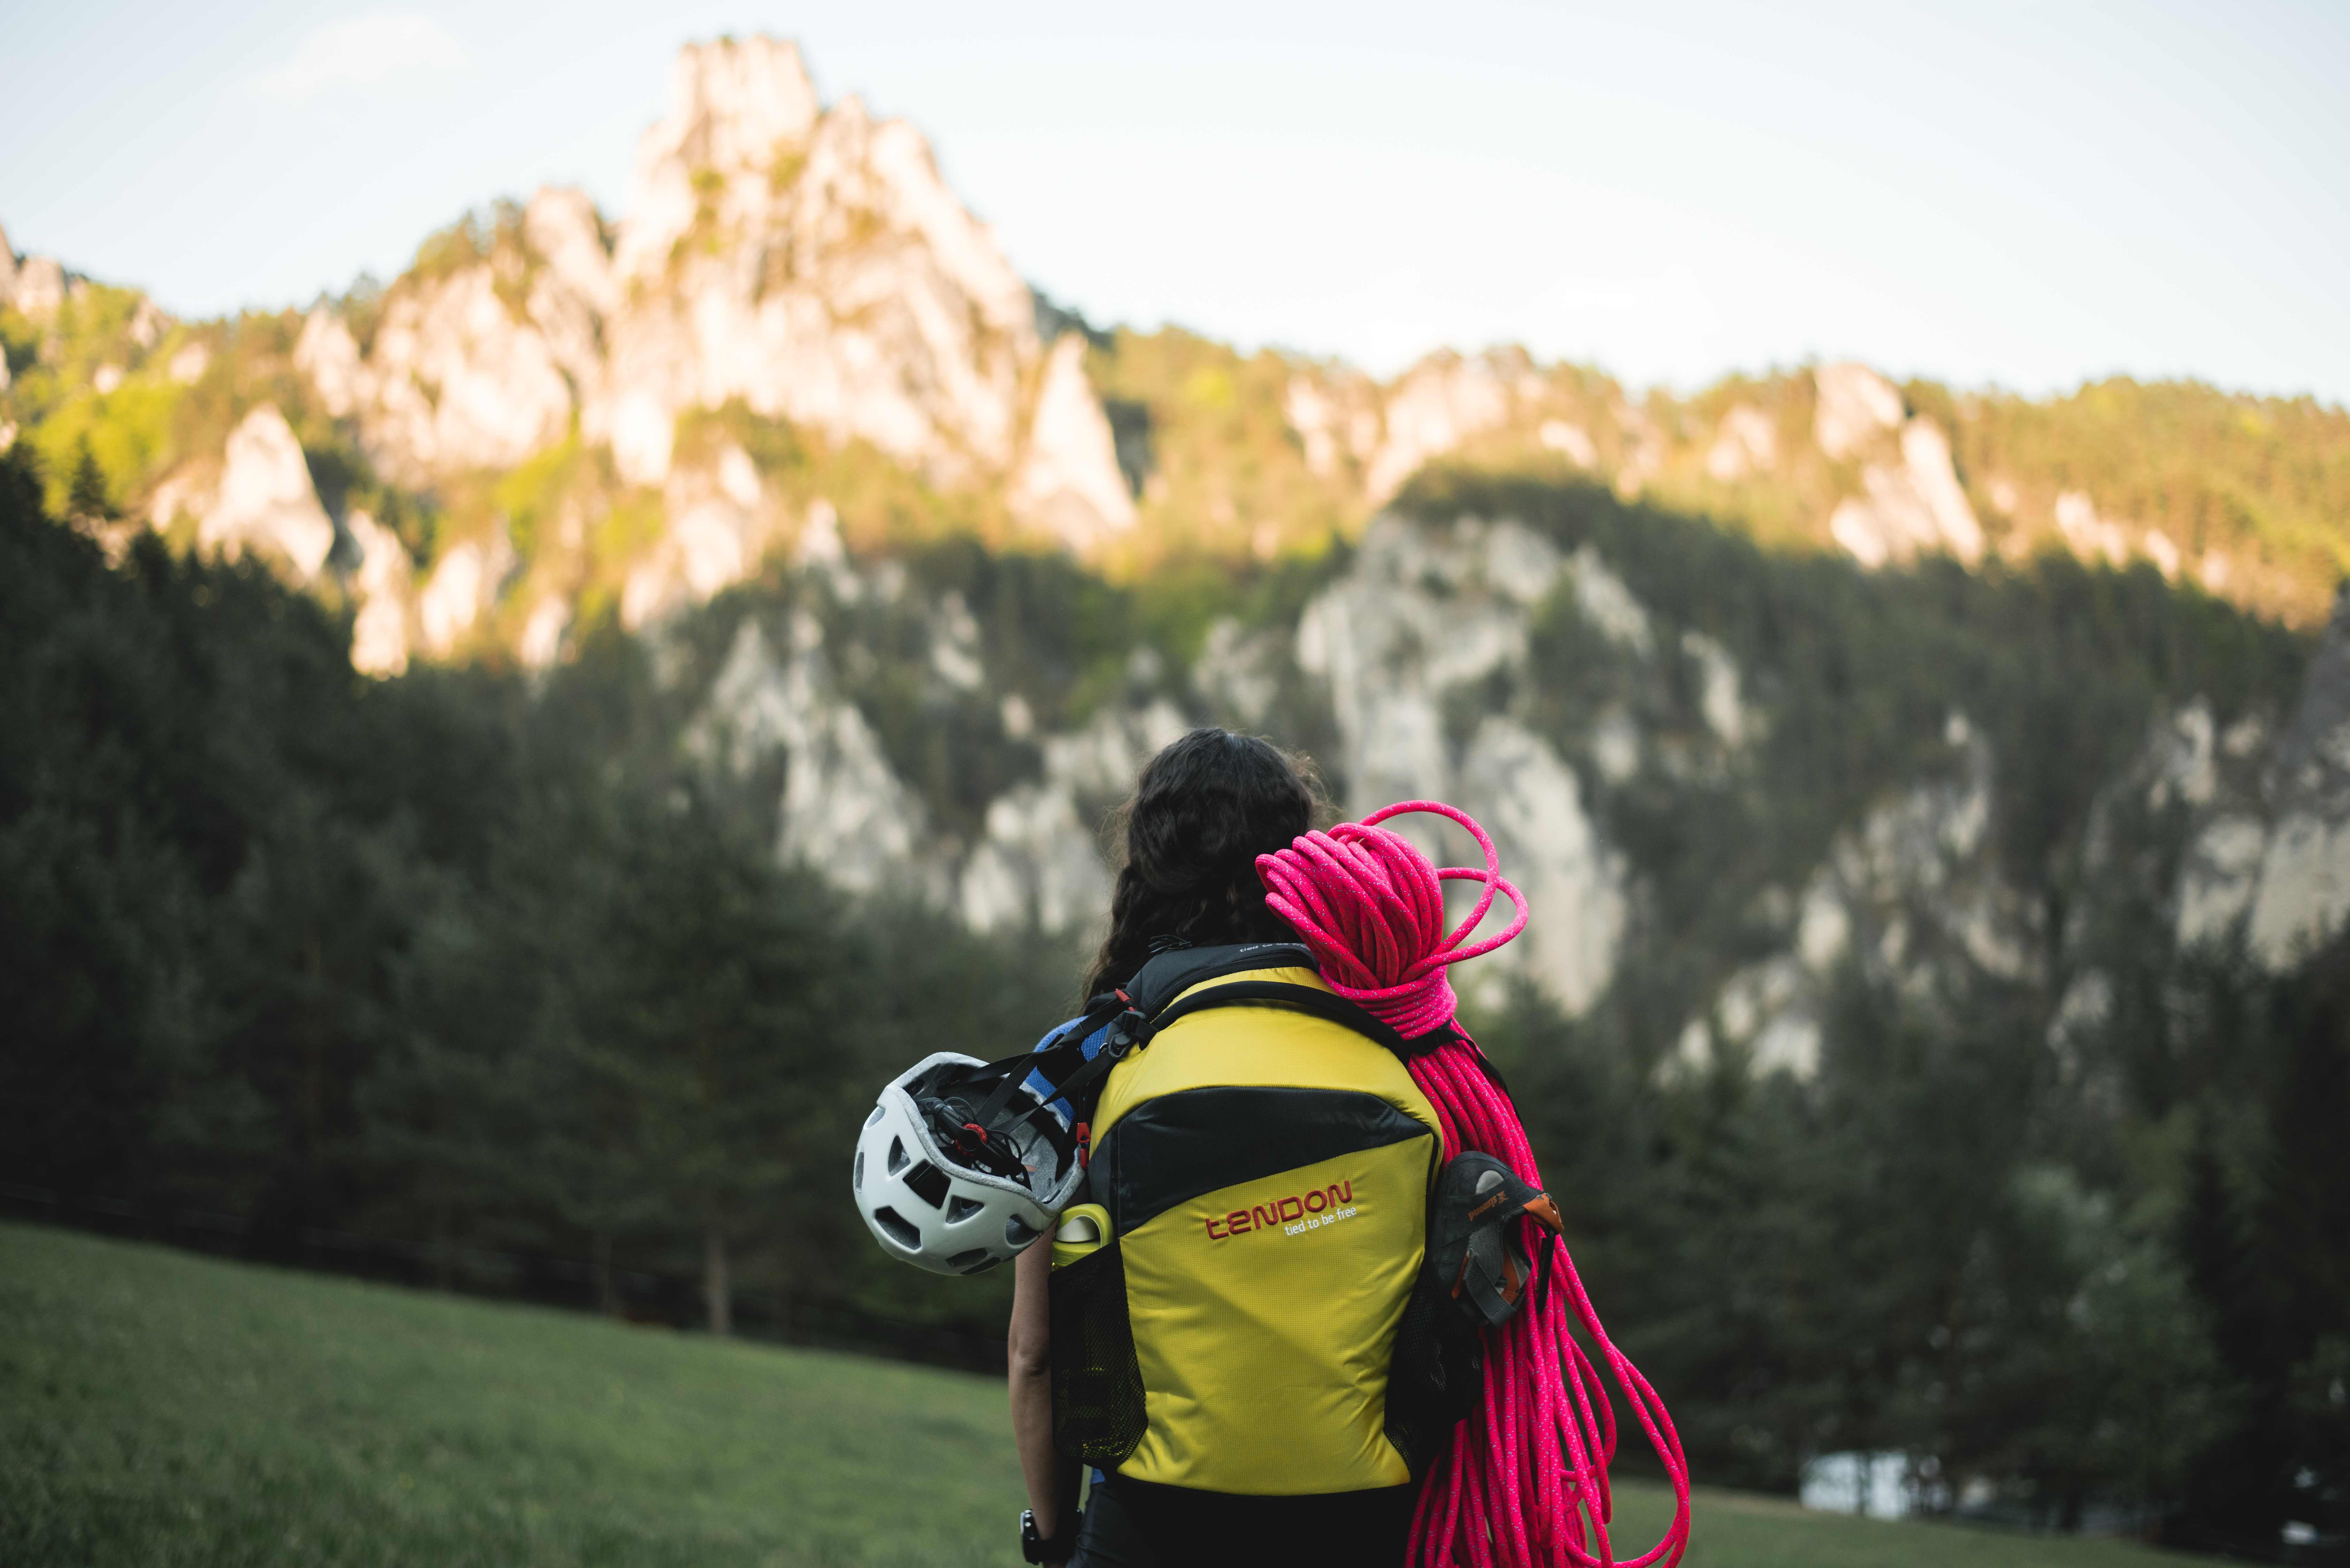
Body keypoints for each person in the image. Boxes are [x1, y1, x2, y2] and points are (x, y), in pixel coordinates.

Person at [1006, 728, 1443, 1568]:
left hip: (1154, 1522)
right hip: (1366, 1525)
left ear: (1149, 862)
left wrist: (1054, 1540)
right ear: (1305, 853)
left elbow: (1036, 1353)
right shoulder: (1401, 1047)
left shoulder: (1091, 1060)